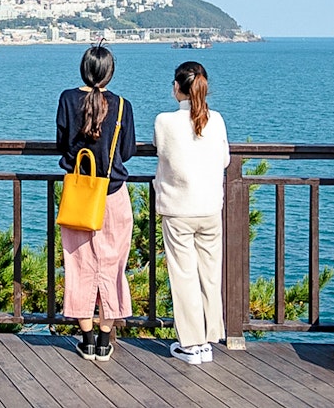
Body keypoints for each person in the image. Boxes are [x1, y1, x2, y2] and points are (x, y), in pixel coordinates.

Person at [56, 44, 137, 362]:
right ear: (110, 73)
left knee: (79, 267)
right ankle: (105, 341)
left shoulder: (67, 99)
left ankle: (86, 339)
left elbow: (62, 144)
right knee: (113, 268)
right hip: (114, 195)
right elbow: (127, 150)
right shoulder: (121, 106)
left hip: (78, 197)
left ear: (83, 69)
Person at [153, 61, 230, 365]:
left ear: (178, 88)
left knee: (183, 276)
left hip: (178, 208)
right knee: (209, 274)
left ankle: (191, 343)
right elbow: (224, 159)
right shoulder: (218, 120)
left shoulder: (164, 121)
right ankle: (210, 339)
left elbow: (163, 152)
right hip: (210, 207)